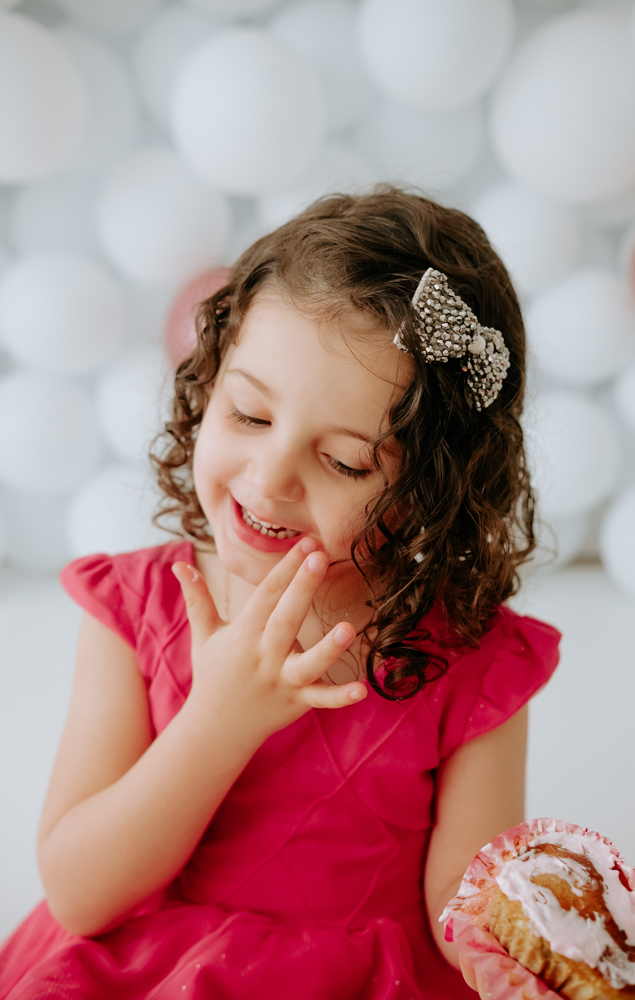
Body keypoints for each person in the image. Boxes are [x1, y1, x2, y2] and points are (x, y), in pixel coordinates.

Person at [0, 188, 560, 999]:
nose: (269, 478)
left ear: (430, 493)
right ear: (208, 383)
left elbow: (462, 901)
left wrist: (515, 952)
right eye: (249, 416)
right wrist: (217, 722)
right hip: (149, 973)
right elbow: (81, 894)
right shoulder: (136, 609)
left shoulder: (472, 660)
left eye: (344, 462)